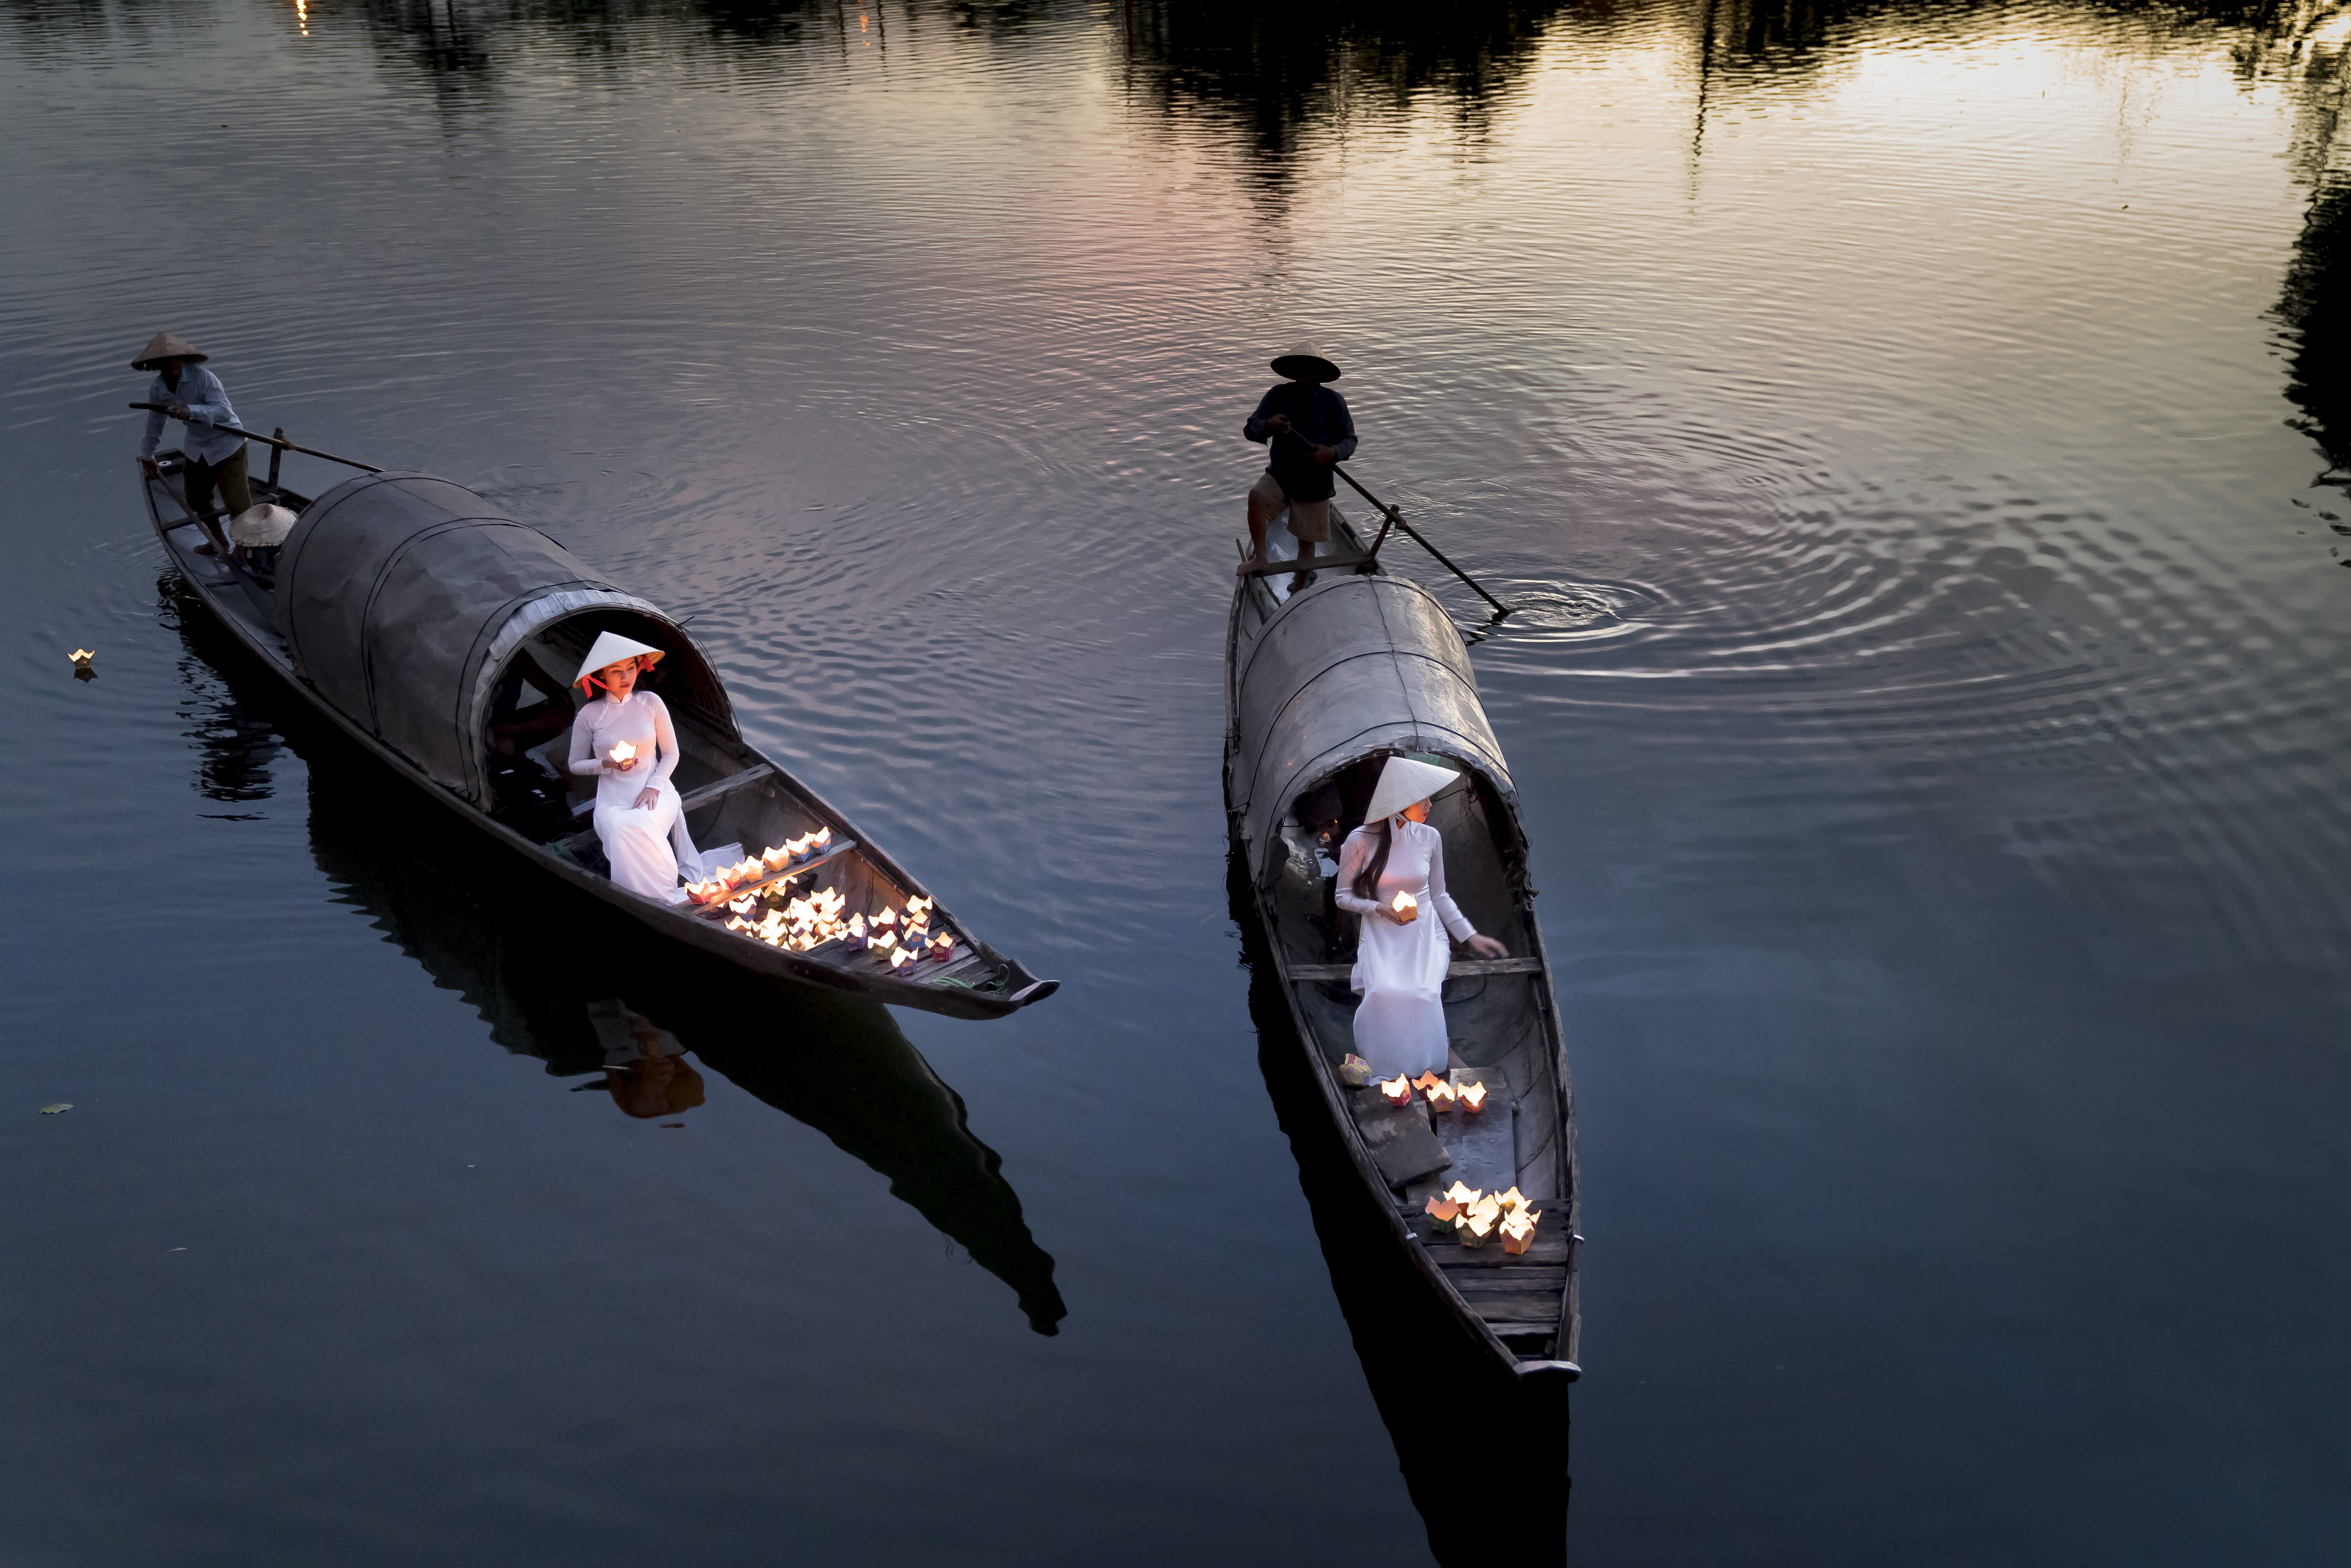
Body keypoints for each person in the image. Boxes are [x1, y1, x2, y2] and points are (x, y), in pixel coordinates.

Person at [1331, 755, 1509, 1081]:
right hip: (1382, 933)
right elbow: (1342, 897)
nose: (1429, 804)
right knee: (1384, 992)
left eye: (1428, 797)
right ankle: (1385, 1065)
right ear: (1398, 804)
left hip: (1425, 931)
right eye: (1420, 799)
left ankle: (1426, 1061)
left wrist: (1469, 936)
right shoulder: (1359, 841)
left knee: (1423, 993)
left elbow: (1439, 896)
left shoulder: (1430, 838)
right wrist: (1378, 909)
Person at [566, 631, 701, 902]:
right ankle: (640, 898)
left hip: (657, 792)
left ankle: (663, 895)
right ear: (601, 676)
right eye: (616, 671)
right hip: (613, 800)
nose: (626, 677)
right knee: (618, 824)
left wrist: (654, 786)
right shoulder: (590, 715)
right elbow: (575, 765)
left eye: (631, 668)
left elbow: (672, 754)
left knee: (644, 820)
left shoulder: (651, 703)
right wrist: (606, 764)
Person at [1241, 345, 1357, 595]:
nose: (1304, 371)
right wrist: (1269, 425)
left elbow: (1350, 440)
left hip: (1315, 482)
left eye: (1309, 367)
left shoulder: (1333, 401)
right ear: (1293, 372)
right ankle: (1261, 558)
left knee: (1307, 539)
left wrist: (1331, 452)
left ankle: (1301, 586)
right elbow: (1251, 428)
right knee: (1257, 498)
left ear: (1318, 373)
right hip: (1282, 474)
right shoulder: (1277, 395)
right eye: (1299, 367)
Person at [131, 332, 247, 558]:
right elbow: (155, 423)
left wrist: (191, 410)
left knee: (238, 504)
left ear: (184, 359)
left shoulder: (205, 379)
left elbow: (223, 413)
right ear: (157, 365)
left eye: (176, 359)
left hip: (228, 442)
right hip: (197, 445)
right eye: (165, 361)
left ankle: (243, 548)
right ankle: (218, 541)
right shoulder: (159, 389)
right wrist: (148, 456)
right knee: (197, 500)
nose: (172, 364)